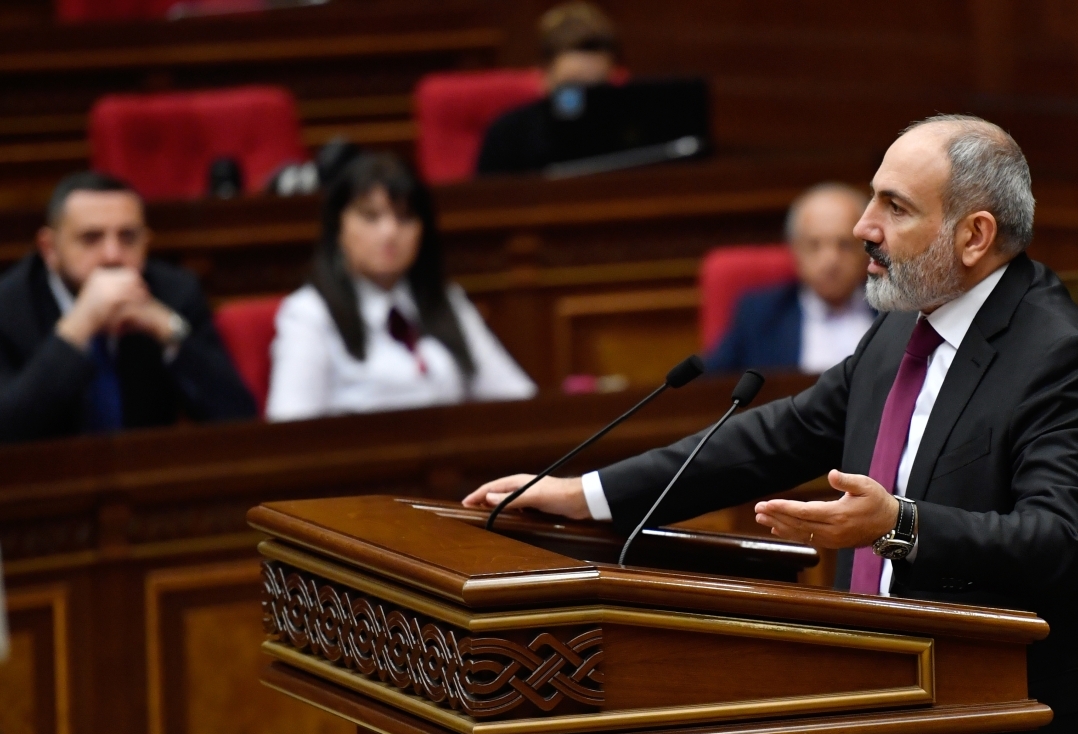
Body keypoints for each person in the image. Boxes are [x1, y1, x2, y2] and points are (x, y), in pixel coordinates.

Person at [464, 115, 1078, 734]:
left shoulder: (1063, 358)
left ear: (974, 236)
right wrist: (586, 495)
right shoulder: (902, 329)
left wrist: (900, 525)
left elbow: (1064, 542)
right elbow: (780, 435)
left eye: (895, 207)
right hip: (900, 712)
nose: (863, 227)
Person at [266, 153, 536, 421]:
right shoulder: (309, 314)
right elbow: (290, 429)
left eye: (405, 217)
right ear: (338, 226)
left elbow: (518, 399)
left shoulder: (445, 300)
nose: (390, 232)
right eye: (371, 217)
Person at [0, 172, 256, 444]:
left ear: (146, 242)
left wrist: (168, 329)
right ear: (49, 248)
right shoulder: (9, 306)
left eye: (128, 237)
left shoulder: (174, 292)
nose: (113, 255)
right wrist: (78, 327)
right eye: (91, 238)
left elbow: (239, 418)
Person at [706, 183, 874, 374]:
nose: (830, 260)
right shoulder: (760, 316)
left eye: (844, 245)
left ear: (866, 251)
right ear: (795, 251)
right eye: (814, 245)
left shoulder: (892, 314)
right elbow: (712, 382)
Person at [475, 1, 619, 175]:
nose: (585, 99)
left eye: (597, 88)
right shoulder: (507, 134)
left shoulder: (625, 131)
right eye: (572, 87)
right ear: (544, 76)